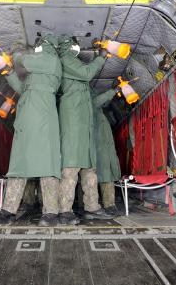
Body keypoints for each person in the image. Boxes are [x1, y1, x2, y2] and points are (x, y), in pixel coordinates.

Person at [0, 34, 62, 226]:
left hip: (44, 119)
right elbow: (23, 89)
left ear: (46, 46)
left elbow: (24, 60)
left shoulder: (52, 60)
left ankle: (51, 213)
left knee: (48, 166)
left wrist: (15, 54)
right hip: (26, 120)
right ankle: (8, 210)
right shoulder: (37, 72)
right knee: (18, 165)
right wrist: (8, 73)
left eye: (39, 45)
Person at [57, 35, 113, 225]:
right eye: (76, 45)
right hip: (73, 120)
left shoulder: (72, 62)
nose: (78, 47)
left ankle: (92, 207)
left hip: (82, 120)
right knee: (71, 167)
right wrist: (101, 57)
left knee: (89, 167)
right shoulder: (65, 59)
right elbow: (88, 73)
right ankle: (64, 211)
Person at [92, 87, 121, 216]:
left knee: (107, 175)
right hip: (96, 148)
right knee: (93, 177)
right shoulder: (90, 106)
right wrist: (113, 91)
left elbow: (102, 101)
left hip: (105, 148)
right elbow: (97, 101)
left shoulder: (101, 114)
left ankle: (110, 204)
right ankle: (90, 206)